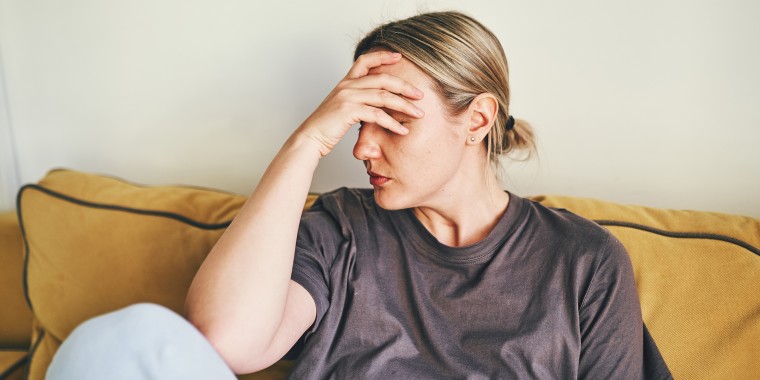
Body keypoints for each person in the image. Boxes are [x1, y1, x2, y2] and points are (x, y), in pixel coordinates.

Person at [47, 11, 672, 379]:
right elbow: (227, 341)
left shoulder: (584, 262)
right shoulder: (341, 230)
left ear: (477, 119)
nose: (362, 147)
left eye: (392, 116)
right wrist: (306, 143)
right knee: (121, 339)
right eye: (356, 120)